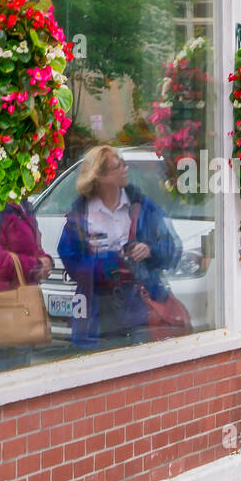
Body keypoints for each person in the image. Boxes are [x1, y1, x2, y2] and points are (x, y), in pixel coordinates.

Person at [59, 146, 182, 349]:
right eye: (118, 166)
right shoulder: (80, 215)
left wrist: (150, 250)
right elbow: (73, 264)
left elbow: (173, 248)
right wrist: (115, 261)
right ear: (100, 176)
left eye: (124, 164)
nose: (125, 169)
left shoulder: (142, 206)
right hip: (96, 315)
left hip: (140, 312)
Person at [0, 199, 53, 369]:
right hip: (5, 302)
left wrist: (46, 261)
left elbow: (33, 246)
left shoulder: (24, 205)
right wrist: (35, 265)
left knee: (21, 362)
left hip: (24, 303)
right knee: (9, 364)